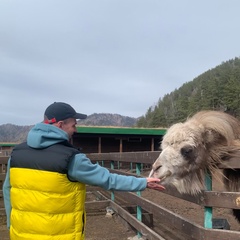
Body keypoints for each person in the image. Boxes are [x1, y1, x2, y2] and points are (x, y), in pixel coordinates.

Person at [3, 102, 165, 240]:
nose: (76, 130)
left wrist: (11, 225)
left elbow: (7, 189)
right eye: (73, 125)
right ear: (60, 125)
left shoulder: (17, 153)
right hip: (60, 234)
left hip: (20, 233)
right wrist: (143, 182)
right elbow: (107, 180)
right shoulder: (70, 158)